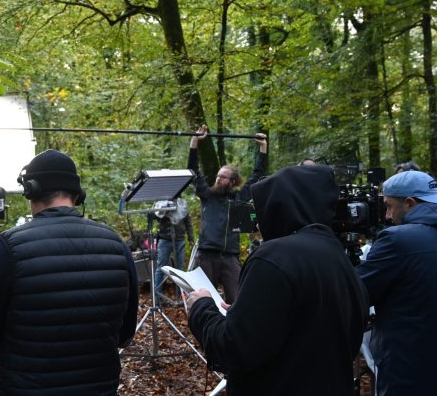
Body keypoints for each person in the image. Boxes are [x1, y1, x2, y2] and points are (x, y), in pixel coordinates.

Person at [0, 149, 139, 395]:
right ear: (77, 194)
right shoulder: (117, 245)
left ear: (30, 190)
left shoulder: (5, 249)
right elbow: (125, 334)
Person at [185, 165, 369, 395]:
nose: (259, 223)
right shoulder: (340, 258)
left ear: (279, 209)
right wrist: (247, 313)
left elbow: (234, 348)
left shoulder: (274, 257)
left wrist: (202, 307)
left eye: (263, 211)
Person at [356, 170, 437, 396]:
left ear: (409, 203)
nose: (388, 217)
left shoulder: (398, 240)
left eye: (389, 206)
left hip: (408, 372)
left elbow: (355, 292)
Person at [187, 124, 267, 303]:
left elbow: (257, 175)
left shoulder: (239, 198)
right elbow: (193, 170)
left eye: (222, 177)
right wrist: (195, 141)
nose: (217, 178)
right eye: (217, 175)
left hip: (230, 257)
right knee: (205, 301)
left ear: (232, 182)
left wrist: (263, 148)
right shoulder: (207, 196)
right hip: (207, 256)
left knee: (238, 300)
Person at [153, 199, 193, 304]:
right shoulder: (161, 202)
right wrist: (160, 207)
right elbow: (155, 216)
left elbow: (188, 222)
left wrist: (191, 238)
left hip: (179, 239)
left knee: (180, 269)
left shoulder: (182, 203)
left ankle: (181, 298)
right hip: (164, 238)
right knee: (160, 268)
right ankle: (158, 298)